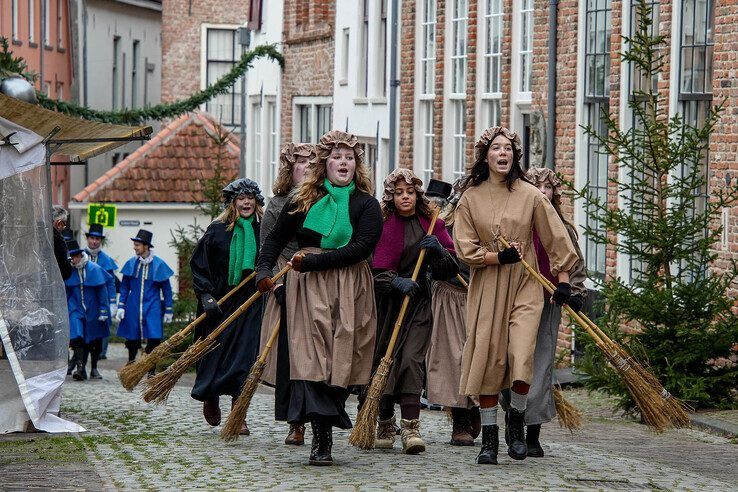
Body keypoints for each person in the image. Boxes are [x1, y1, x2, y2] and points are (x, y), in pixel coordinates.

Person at [255, 130, 383, 466]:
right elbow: (274, 240)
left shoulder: (367, 204)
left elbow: (362, 248)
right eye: (337, 157)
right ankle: (321, 439)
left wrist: (315, 261)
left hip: (350, 285)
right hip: (307, 288)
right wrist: (263, 271)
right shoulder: (301, 200)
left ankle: (330, 414)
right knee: (310, 359)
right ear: (324, 163)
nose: (344, 163)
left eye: (350, 157)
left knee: (342, 359)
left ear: (357, 165)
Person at [452, 126, 578, 465]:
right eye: (496, 148)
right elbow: (464, 247)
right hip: (488, 286)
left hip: (525, 284)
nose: (502, 154)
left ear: (515, 156)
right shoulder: (471, 197)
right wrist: (495, 257)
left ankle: (516, 423)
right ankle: (490, 440)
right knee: (490, 361)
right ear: (486, 156)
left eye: (507, 148)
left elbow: (556, 237)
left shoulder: (530, 195)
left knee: (522, 358)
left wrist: (564, 280)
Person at [499, 167, 588, 457]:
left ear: (554, 193)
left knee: (540, 366)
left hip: (548, 303)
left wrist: (571, 292)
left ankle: (532, 430)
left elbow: (574, 266)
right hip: (515, 301)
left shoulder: (564, 230)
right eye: (536, 186)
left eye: (547, 187)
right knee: (514, 362)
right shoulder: (517, 225)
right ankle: (513, 422)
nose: (542, 192)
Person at [370, 169, 458, 454]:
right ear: (390, 197)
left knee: (411, 359)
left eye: (409, 192)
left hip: (419, 302)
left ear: (417, 195)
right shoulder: (383, 225)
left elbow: (450, 269)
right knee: (386, 358)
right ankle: (384, 421)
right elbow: (372, 271)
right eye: (399, 193)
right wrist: (395, 281)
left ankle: (410, 427)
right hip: (388, 305)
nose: (405, 197)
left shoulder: (432, 225)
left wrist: (439, 252)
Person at [189, 178, 265, 435]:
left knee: (245, 359)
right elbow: (199, 265)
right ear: (232, 202)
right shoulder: (217, 230)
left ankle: (238, 413)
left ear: (256, 201)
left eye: (250, 198)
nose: (246, 202)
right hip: (219, 304)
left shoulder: (263, 230)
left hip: (251, 302)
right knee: (214, 355)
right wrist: (205, 295)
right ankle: (211, 396)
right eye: (241, 198)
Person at [258, 142, 314, 445]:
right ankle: (295, 422)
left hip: (316, 278)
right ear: (290, 168)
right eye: (301, 162)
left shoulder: (323, 200)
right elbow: (267, 248)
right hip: (284, 281)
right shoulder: (278, 205)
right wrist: (275, 285)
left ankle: (316, 416)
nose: (306, 167)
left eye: (311, 162)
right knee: (290, 356)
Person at [423, 179, 481, 446]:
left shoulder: (488, 224)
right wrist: (441, 256)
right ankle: (460, 420)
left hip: (481, 295)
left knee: (479, 357)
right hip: (450, 295)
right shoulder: (445, 226)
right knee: (455, 359)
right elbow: (438, 268)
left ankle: (478, 407)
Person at [115, 230, 174, 374]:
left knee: (154, 338)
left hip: (152, 305)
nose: (134, 247)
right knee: (132, 337)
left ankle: (151, 370)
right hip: (133, 305)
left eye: (137, 245)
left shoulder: (159, 264)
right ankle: (130, 366)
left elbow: (166, 290)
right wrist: (121, 305)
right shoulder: (131, 263)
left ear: (146, 246)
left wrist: (168, 309)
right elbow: (124, 287)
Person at [64, 240, 112, 380]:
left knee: (92, 339)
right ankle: (80, 367)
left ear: (80, 255)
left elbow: (102, 291)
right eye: (70, 258)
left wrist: (104, 309)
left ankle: (92, 368)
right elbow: (66, 292)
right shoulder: (71, 271)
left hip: (93, 309)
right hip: (75, 308)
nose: (72, 260)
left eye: (74, 257)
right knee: (77, 336)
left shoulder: (94, 269)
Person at [84, 224, 119, 360]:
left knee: (101, 331)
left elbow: (111, 283)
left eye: (97, 239)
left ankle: (99, 357)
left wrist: (112, 303)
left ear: (100, 241)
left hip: (101, 301)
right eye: (92, 238)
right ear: (88, 239)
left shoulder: (106, 260)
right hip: (85, 300)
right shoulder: (80, 255)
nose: (94, 241)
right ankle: (79, 360)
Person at [52, 205, 72, 281]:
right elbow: (65, 271)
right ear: (59, 224)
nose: (64, 228)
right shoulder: (59, 241)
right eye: (64, 224)